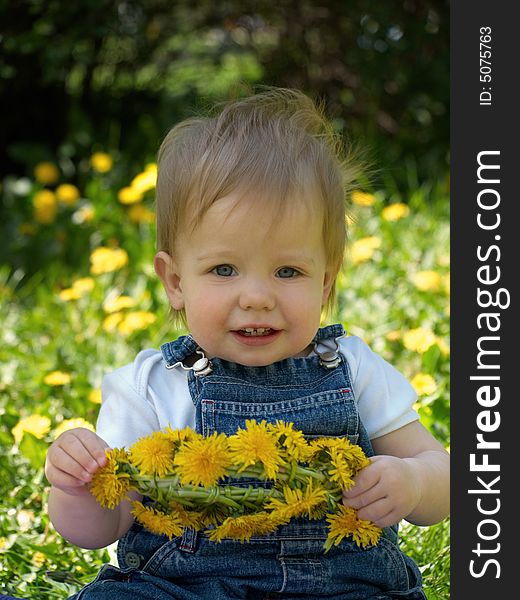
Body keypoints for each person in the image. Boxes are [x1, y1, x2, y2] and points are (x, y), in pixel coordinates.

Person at [45, 88, 449, 599]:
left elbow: (443, 475)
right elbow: (98, 530)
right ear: (175, 281)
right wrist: (77, 484)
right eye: (223, 269)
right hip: (185, 588)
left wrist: (413, 482)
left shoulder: (352, 369)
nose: (256, 297)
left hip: (344, 587)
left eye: (288, 271)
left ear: (325, 283)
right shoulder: (152, 388)